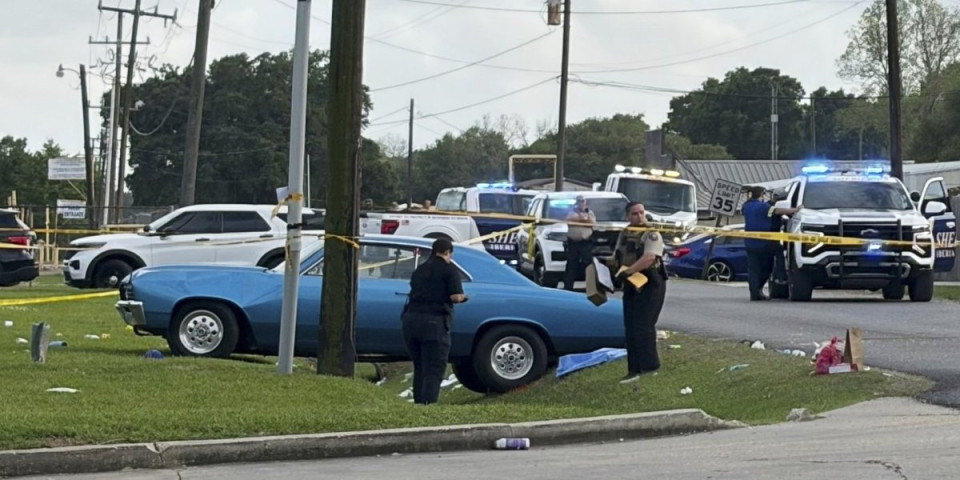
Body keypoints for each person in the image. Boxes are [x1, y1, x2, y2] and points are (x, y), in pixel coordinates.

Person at [401, 238, 468, 404]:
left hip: (410, 321)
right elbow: (455, 296)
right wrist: (464, 297)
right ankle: (428, 405)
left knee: (420, 367)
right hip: (434, 323)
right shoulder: (449, 269)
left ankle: (418, 404)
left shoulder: (420, 269)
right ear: (448, 252)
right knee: (434, 368)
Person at [614, 202, 668, 384]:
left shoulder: (651, 233)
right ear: (627, 216)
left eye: (642, 213)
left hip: (650, 281)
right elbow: (617, 255)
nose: (639, 217)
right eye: (635, 214)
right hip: (631, 282)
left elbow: (649, 258)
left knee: (644, 325)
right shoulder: (625, 233)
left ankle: (650, 367)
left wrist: (628, 272)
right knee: (630, 325)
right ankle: (634, 369)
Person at [742, 186, 801, 301]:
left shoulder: (746, 207)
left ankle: (754, 293)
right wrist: (795, 210)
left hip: (750, 243)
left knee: (753, 270)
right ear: (761, 194)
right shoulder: (764, 207)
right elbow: (777, 211)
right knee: (777, 253)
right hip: (764, 242)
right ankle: (781, 276)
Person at [563, 195, 596, 291]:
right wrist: (583, 219)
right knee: (571, 266)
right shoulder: (570, 212)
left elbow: (592, 223)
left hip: (586, 243)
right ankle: (568, 288)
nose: (581, 203)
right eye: (579, 201)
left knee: (589, 266)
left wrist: (582, 219)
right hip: (573, 244)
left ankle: (591, 287)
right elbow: (569, 220)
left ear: (585, 202)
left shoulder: (590, 213)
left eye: (582, 201)